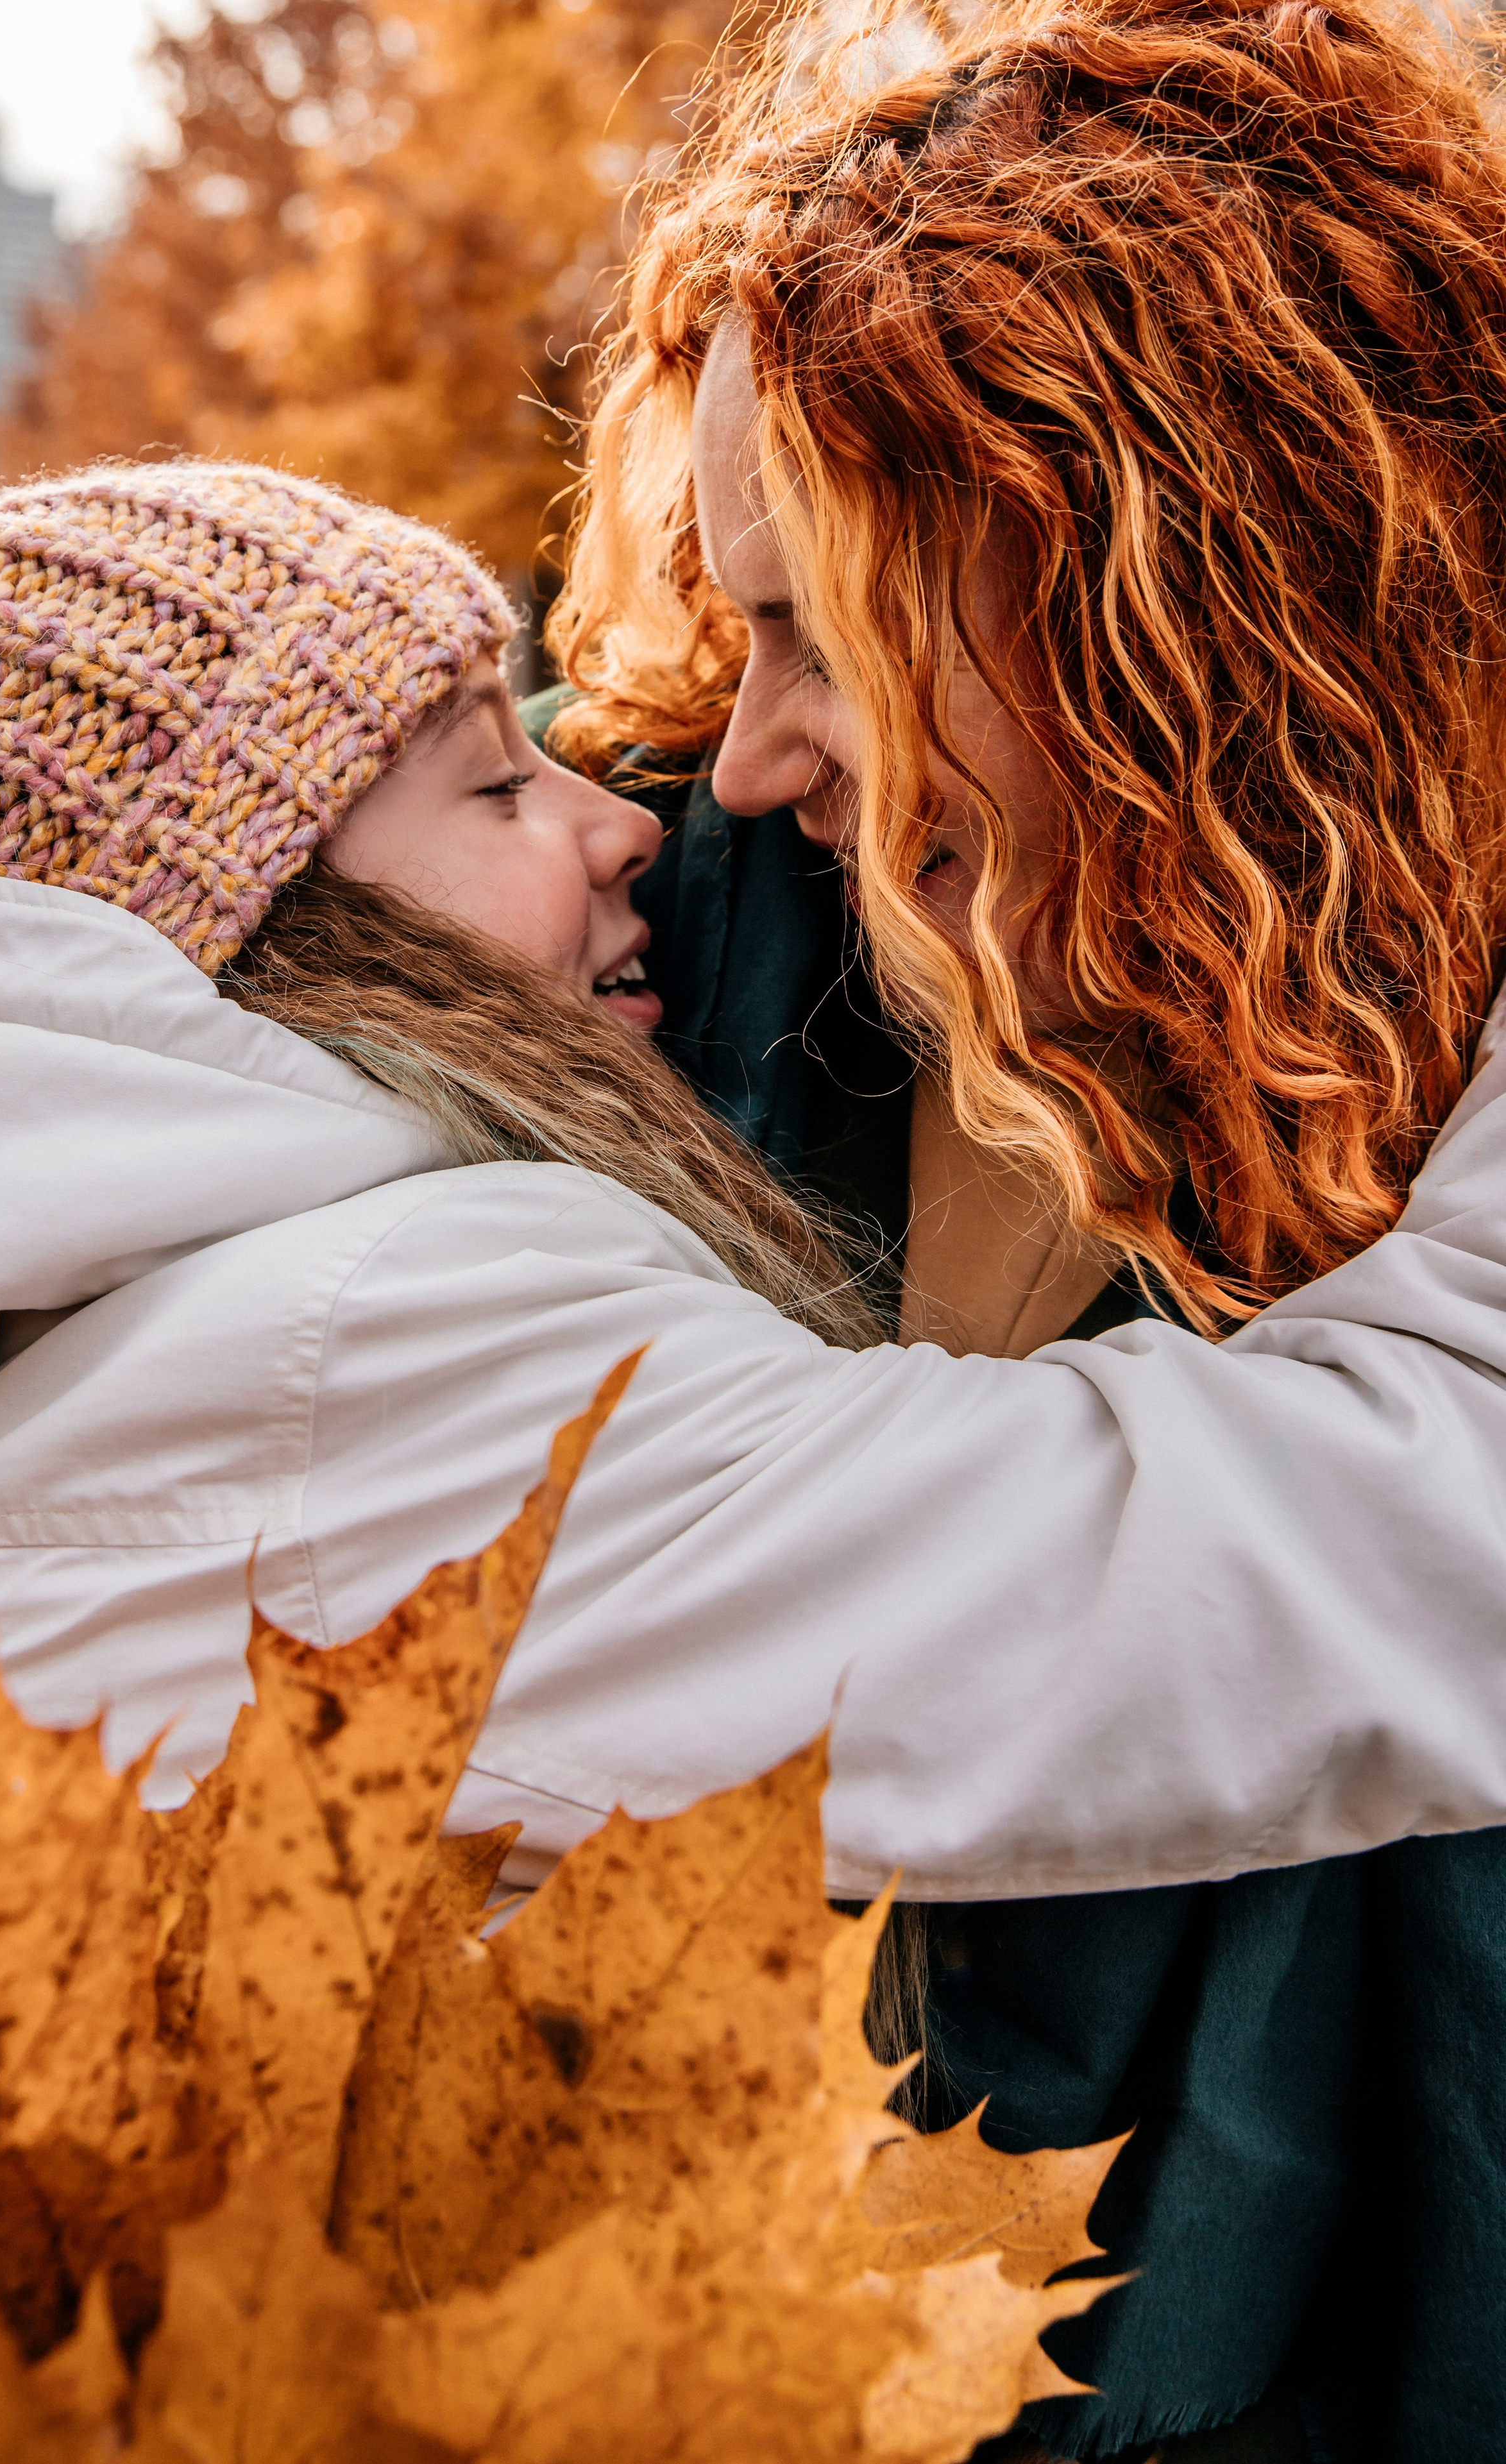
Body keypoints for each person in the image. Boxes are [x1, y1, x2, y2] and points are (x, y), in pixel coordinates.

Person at [0, 459, 1505, 2457]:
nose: (628, 810)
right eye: (491, 787)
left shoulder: (76, 1322)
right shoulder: (372, 1358)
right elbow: (1393, 1534)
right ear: (258, 932)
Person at [522, 0, 1506, 2451]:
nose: (738, 739)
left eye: (819, 630)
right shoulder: (693, 924)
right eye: (727, 609)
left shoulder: (1442, 1065)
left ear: (1162, 608)